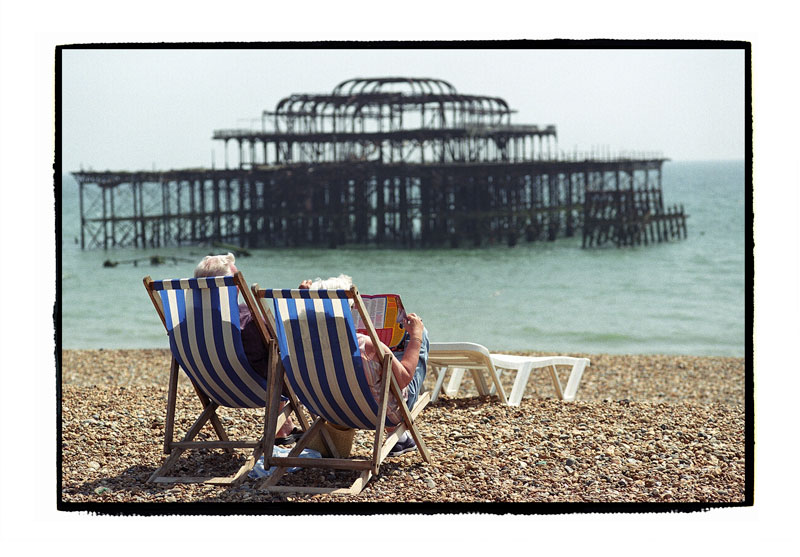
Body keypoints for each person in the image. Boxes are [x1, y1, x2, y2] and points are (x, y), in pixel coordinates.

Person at [304, 274, 429, 457]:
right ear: (349, 309)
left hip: (328, 410)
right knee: (417, 336)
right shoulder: (365, 345)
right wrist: (416, 336)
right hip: (380, 413)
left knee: (380, 368)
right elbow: (403, 379)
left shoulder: (301, 343)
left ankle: (400, 440)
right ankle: (396, 434)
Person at [193, 253, 300, 445]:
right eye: (235, 280)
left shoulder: (188, 322)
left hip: (214, 387)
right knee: (275, 355)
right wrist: (301, 303)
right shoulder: (245, 318)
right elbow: (283, 339)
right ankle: (282, 429)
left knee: (268, 357)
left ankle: (284, 428)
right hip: (254, 388)